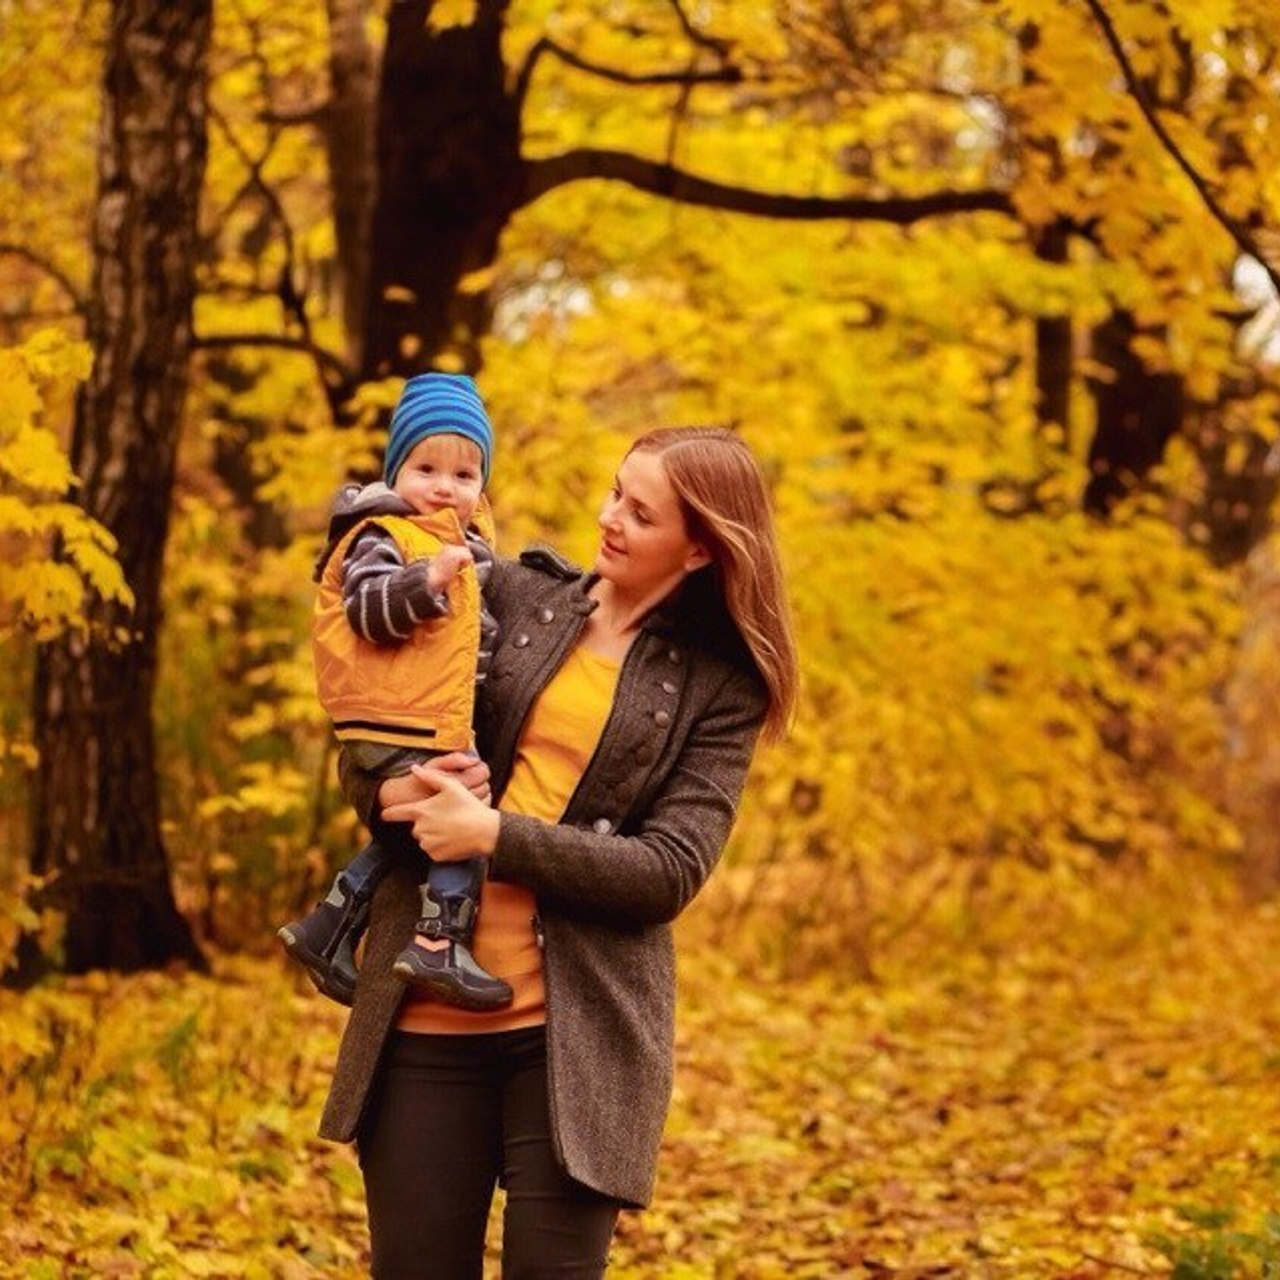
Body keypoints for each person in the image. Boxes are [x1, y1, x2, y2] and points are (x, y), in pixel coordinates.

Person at [319, 426, 798, 1279]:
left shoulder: (721, 688)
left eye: (641, 514)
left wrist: (497, 837)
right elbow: (380, 714)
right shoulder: (509, 593)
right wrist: (384, 797)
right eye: (617, 492)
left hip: (575, 1039)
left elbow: (668, 871)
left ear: (696, 551)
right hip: (424, 1015)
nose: (610, 518)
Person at [278, 371, 512, 1012]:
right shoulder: (384, 533)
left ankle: (328, 927)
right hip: (394, 721)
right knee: (457, 811)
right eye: (426, 467)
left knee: (408, 830)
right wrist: (426, 583)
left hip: (421, 717)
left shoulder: (470, 548)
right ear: (395, 472)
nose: (444, 487)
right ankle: (439, 941)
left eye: (465, 476)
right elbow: (368, 610)